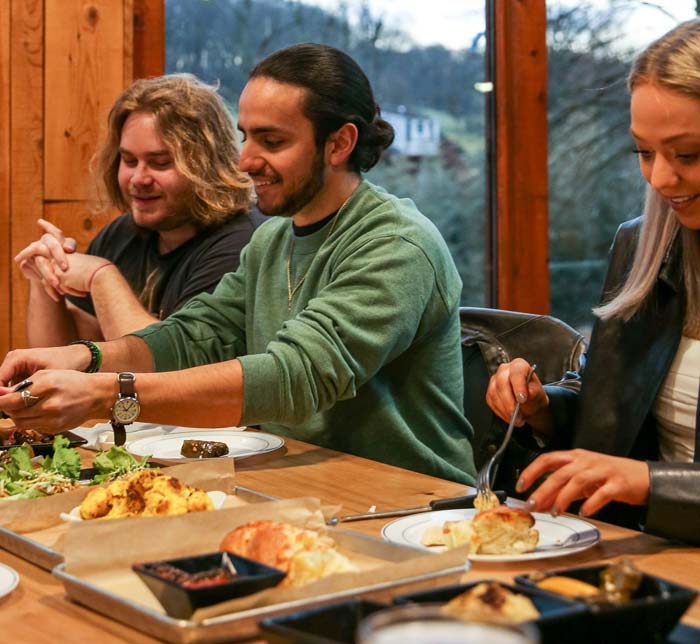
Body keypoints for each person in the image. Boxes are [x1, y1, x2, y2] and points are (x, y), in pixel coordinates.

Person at [0, 44, 475, 484]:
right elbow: (192, 336)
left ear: (339, 143)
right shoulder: (272, 239)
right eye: (246, 136)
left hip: (414, 501)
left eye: (271, 141)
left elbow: (295, 377)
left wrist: (108, 393)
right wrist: (84, 358)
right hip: (294, 484)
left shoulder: (397, 243)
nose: (245, 160)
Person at [486, 19, 700, 544]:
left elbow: (635, 473)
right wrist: (543, 406)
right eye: (644, 153)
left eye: (688, 155)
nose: (660, 179)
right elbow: (609, 411)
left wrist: (650, 482)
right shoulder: (641, 246)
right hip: (650, 550)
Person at [17, 73, 260, 346]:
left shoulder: (240, 245)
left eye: (160, 162)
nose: (139, 179)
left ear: (205, 166)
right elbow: (61, 356)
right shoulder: (121, 234)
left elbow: (173, 367)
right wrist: (45, 280)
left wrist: (101, 277)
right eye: (129, 160)